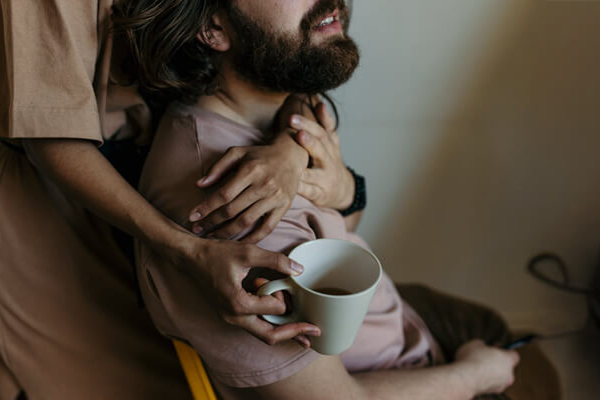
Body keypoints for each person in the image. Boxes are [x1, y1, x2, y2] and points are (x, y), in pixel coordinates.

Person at [0, 1, 362, 399]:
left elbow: (278, 47)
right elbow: (50, 137)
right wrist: (187, 250)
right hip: (60, 210)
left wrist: (288, 151)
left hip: (167, 178)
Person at [118, 0, 524, 398]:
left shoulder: (273, 113)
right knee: (504, 356)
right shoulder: (240, 209)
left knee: (486, 323)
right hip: (393, 374)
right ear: (214, 28)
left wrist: (323, 173)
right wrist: (474, 376)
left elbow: (337, 231)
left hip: (392, 325)